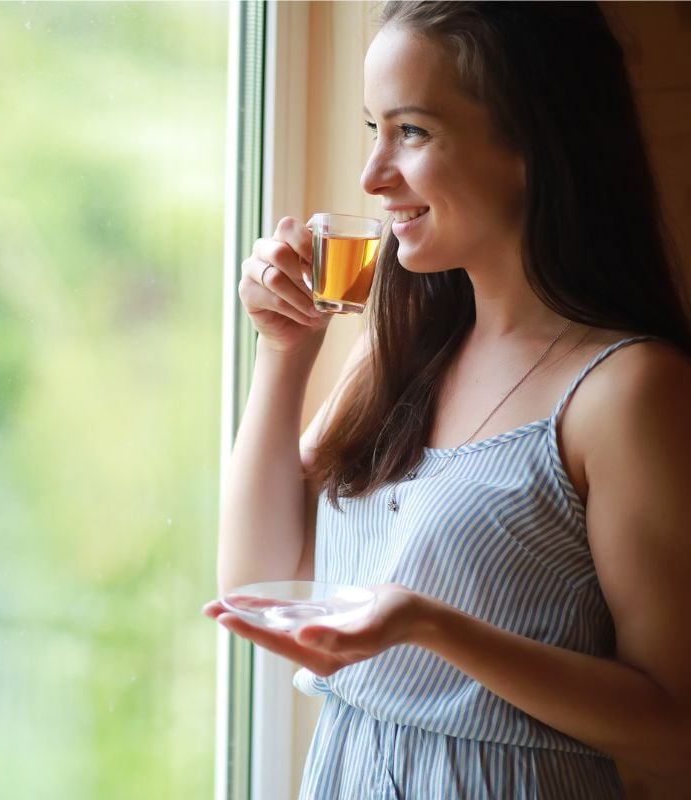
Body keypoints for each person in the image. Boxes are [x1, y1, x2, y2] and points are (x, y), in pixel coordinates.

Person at [204, 2, 691, 798]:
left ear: (533, 143)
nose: (372, 175)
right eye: (372, 128)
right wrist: (285, 351)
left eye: (413, 133)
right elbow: (255, 581)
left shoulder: (628, 392)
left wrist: (431, 626)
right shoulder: (401, 354)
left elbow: (677, 731)